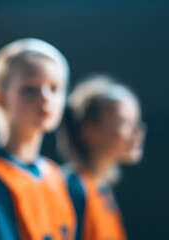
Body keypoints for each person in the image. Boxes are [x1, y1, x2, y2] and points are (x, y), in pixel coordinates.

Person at [0, 38, 76, 240]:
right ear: (0, 98)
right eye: (30, 89)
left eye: (54, 88)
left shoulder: (55, 174)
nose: (45, 98)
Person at [57, 74, 146, 240]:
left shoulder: (101, 188)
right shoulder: (72, 188)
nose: (138, 131)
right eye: (125, 122)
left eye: (137, 121)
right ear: (90, 131)